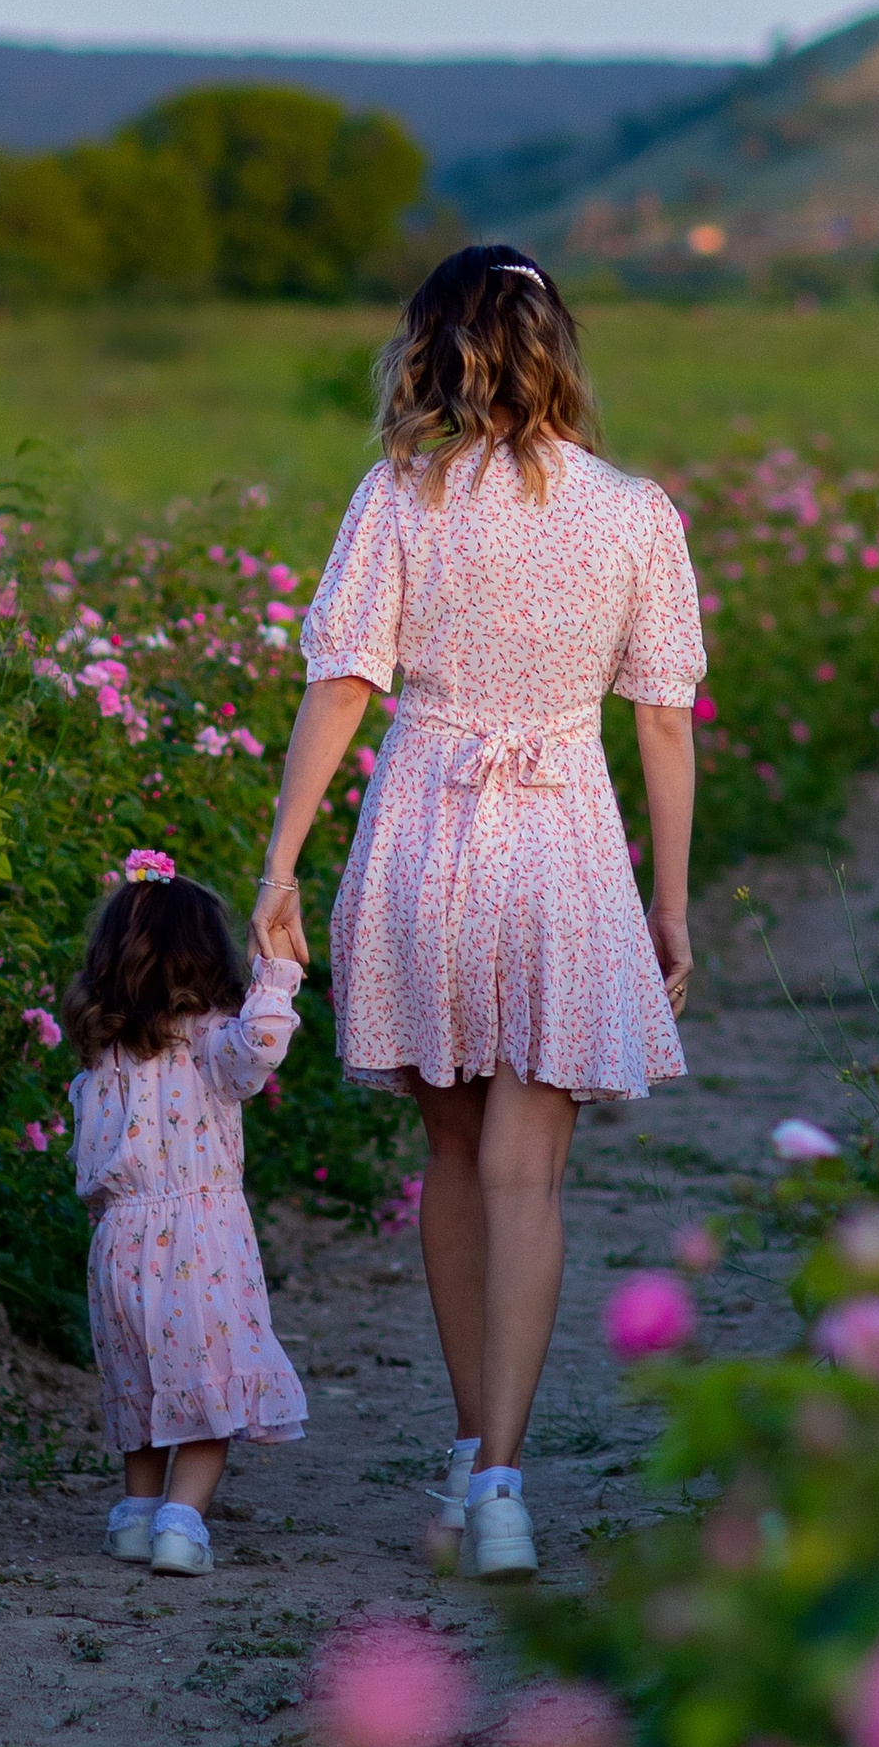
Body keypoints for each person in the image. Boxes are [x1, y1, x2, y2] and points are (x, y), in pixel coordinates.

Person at [249, 242, 704, 1583]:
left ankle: (463, 1450)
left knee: (451, 1156)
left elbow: (341, 686)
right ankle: (502, 1480)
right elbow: (666, 724)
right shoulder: (634, 513)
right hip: (560, 844)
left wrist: (281, 865)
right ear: (560, 349)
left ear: (432, 349)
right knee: (526, 1174)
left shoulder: (399, 495)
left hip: (421, 841)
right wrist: (667, 903)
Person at [62, 852, 307, 1575]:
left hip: (117, 1243)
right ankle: (180, 1521)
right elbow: (264, 1044)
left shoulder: (103, 1057)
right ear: (205, 955)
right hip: (200, 1239)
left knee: (140, 1385)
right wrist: (278, 976)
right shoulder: (210, 1041)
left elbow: (90, 1168)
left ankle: (134, 1515)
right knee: (208, 1384)